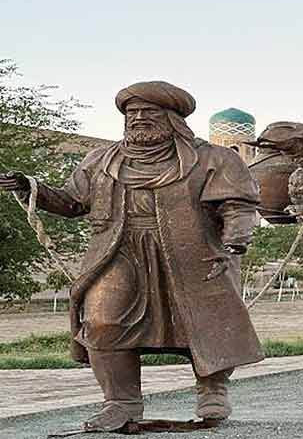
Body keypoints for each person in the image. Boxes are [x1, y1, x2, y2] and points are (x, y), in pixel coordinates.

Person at [0, 81, 264, 432]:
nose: (138, 118)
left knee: (204, 321)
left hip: (192, 250)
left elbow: (238, 204)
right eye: (131, 113)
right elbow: (72, 202)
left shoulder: (213, 158)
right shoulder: (100, 160)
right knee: (103, 320)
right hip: (118, 249)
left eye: (148, 112)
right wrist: (31, 187)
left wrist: (235, 242)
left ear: (171, 118)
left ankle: (212, 387)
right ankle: (120, 403)